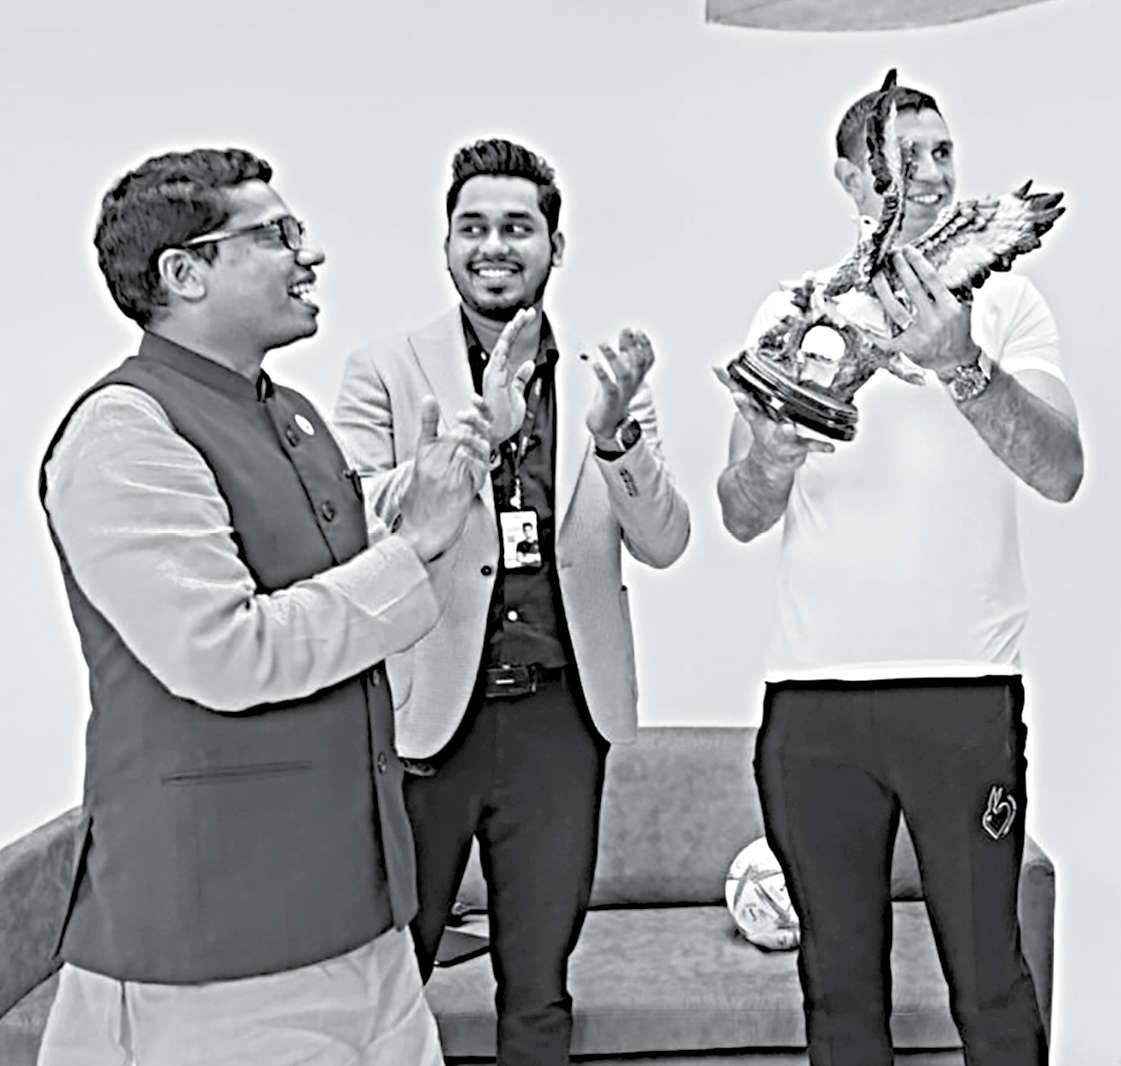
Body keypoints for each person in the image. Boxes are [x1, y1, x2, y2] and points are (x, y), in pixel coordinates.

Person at [36, 147, 496, 1066]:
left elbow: (335, 555)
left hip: (361, 911)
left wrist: (431, 490)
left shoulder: (293, 415)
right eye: (276, 234)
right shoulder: (124, 431)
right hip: (220, 938)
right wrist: (413, 547)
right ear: (185, 272)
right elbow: (226, 653)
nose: (307, 254)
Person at [717, 77, 1083, 1066]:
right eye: (898, 158)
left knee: (990, 983)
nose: (927, 175)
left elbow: (1061, 471)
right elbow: (740, 510)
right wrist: (775, 454)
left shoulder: (1006, 301)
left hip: (962, 698)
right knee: (838, 994)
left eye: (941, 152)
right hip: (812, 706)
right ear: (849, 180)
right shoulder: (790, 312)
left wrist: (963, 364)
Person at [334, 137, 690, 1066]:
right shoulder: (385, 369)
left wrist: (615, 441)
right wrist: (467, 449)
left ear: (554, 246)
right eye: (474, 227)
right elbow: (352, 529)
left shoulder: (609, 380)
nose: (494, 246)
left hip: (560, 723)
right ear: (447, 244)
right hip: (424, 719)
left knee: (539, 988)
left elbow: (665, 541)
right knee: (387, 979)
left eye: (518, 227)